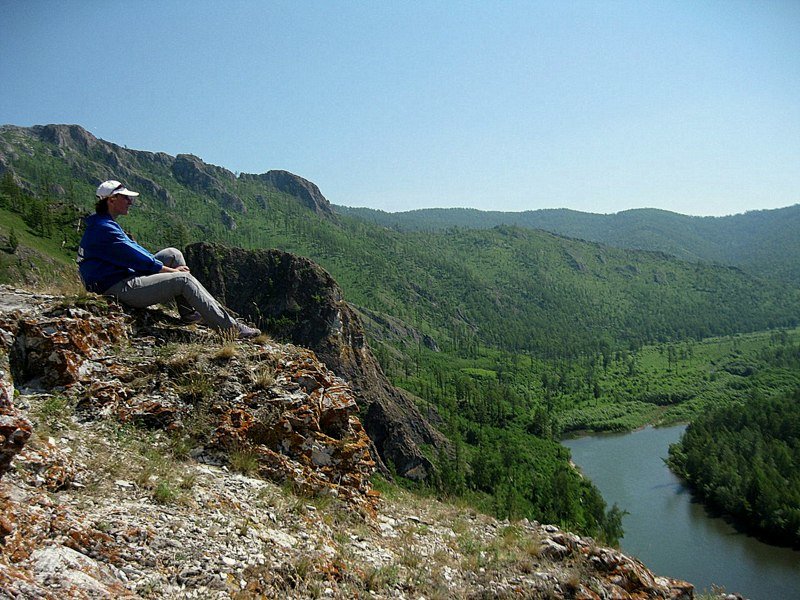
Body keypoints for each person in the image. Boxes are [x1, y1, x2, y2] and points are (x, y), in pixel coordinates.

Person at [77, 180, 260, 339]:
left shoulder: (103, 224)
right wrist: (172, 272)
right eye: (125, 198)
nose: (130, 201)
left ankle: (189, 314)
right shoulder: (105, 229)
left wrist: (167, 266)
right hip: (116, 287)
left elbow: (136, 252)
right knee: (184, 280)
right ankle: (230, 328)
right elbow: (139, 259)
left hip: (119, 276)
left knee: (173, 253)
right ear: (111, 200)